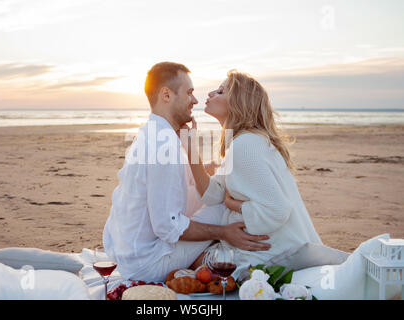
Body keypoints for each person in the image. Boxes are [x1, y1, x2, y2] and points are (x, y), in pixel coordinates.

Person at [102, 62, 270, 282]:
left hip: (128, 253)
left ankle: (205, 255)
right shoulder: (164, 146)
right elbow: (168, 227)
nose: (195, 100)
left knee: (216, 192)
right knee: (222, 202)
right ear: (166, 95)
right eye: (189, 92)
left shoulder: (153, 133)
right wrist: (223, 232)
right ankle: (258, 251)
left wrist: (202, 160)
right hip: (147, 264)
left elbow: (182, 184)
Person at [183, 70, 323, 273]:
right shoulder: (244, 142)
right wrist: (192, 150)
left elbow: (276, 210)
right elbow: (213, 194)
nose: (211, 93)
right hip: (268, 246)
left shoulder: (246, 145)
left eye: (221, 91)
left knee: (187, 259)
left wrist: (233, 204)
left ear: (239, 104)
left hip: (273, 254)